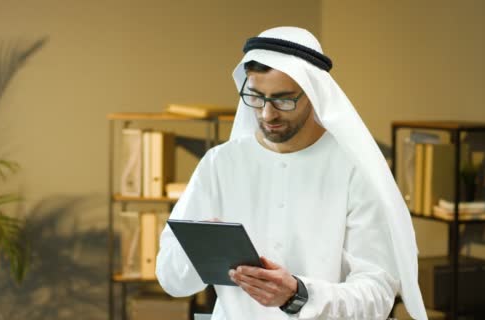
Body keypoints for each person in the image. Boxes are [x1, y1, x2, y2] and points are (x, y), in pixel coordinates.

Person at [156, 26, 427, 320]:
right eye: (256, 97)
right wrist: (202, 248)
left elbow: (377, 295)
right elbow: (172, 280)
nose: (267, 114)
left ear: (313, 93)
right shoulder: (219, 164)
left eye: (283, 100)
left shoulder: (353, 170)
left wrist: (298, 295)